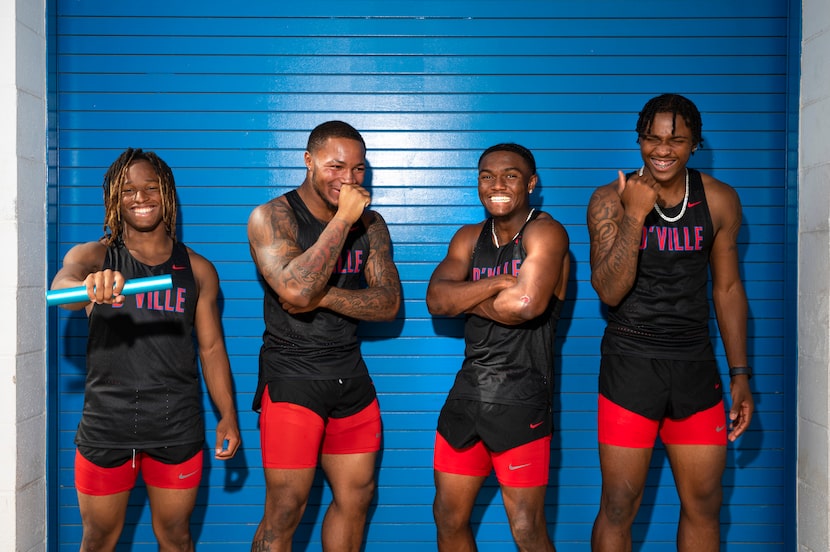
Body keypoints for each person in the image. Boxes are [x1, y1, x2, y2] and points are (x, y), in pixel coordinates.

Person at [50, 148, 241, 551]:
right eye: (128, 191)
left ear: (167, 194)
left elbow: (210, 348)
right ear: (114, 201)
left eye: (150, 188)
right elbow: (61, 288)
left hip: (175, 423)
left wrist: (227, 415)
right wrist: (87, 288)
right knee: (98, 539)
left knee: (175, 537)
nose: (140, 198)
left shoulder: (198, 269)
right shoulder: (94, 257)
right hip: (107, 423)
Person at [587, 93, 754, 551]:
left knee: (704, 501)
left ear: (695, 144)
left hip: (694, 365)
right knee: (619, 504)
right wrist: (636, 213)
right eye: (653, 138)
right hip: (630, 362)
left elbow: (728, 290)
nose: (663, 149)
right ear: (639, 140)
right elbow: (609, 290)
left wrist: (740, 374)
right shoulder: (609, 200)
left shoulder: (718, 200)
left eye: (676, 140)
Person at [247, 120, 402, 552]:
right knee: (285, 508)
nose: (349, 180)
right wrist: (343, 219)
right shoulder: (272, 216)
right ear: (309, 161)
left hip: (349, 376)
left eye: (358, 169)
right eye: (337, 167)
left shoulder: (372, 225)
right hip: (293, 377)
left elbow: (388, 305)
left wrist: (322, 296)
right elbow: (295, 290)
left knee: (356, 499)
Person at [426, 143, 570, 552]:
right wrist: (495, 283)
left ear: (531, 182)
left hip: (521, 399)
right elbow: (436, 300)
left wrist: (465, 296)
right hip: (467, 396)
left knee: (527, 528)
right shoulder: (469, 238)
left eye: (510, 175)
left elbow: (525, 306)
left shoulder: (547, 232)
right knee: (448, 517)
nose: (497, 185)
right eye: (487, 176)